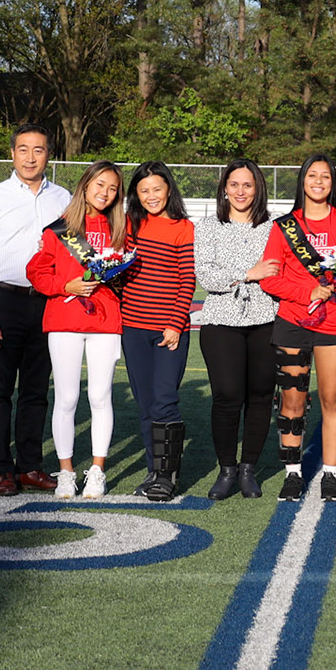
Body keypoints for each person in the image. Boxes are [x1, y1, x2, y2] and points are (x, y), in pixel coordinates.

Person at [0, 124, 72, 497]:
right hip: (3, 302)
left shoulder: (64, 198)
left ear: (49, 155)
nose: (30, 157)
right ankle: (2, 470)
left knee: (36, 391)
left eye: (39, 150)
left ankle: (29, 466)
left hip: (47, 303)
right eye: (23, 149)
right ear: (12, 153)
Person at [261, 154, 336, 502]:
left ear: (333, 184)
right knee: (292, 399)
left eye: (325, 177)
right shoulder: (284, 226)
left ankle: (330, 475)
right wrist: (308, 291)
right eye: (312, 175)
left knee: (332, 398)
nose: (318, 182)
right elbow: (270, 280)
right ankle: (293, 473)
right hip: (292, 321)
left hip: (334, 323)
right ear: (302, 181)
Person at [28, 161, 127, 498]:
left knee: (100, 397)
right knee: (67, 397)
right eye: (100, 184)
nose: (105, 193)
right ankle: (67, 471)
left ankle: (97, 469)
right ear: (85, 184)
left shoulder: (122, 228)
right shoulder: (58, 229)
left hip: (105, 321)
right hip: (65, 320)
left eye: (112, 188)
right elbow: (37, 274)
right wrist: (66, 285)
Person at [194, 159, 279, 500]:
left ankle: (248, 470)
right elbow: (206, 276)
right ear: (224, 189)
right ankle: (226, 469)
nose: (241, 191)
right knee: (228, 396)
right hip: (221, 320)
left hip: (266, 318)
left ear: (258, 188)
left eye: (248, 185)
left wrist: (246, 273)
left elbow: (279, 272)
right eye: (234, 184)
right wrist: (248, 274)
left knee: (260, 397)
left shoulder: (274, 226)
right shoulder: (207, 226)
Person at [120, 161, 195, 501]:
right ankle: (154, 472)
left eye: (157, 189)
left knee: (165, 401)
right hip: (132, 327)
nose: (151, 196)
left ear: (169, 190)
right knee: (146, 404)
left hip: (169, 330)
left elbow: (187, 280)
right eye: (144, 190)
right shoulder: (128, 225)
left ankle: (167, 475)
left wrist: (176, 324)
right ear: (135, 194)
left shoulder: (183, 228)